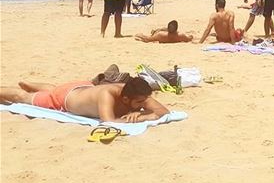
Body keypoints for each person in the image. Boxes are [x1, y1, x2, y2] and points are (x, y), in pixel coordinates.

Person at [0, 76, 169, 122]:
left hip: (82, 87)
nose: (143, 104)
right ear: (125, 99)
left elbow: (163, 111)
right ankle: (28, 88)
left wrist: (143, 115)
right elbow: (109, 121)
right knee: (21, 97)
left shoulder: (137, 93)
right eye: (140, 103)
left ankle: (30, 83)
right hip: (63, 99)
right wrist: (140, 119)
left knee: (55, 89)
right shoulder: (107, 94)